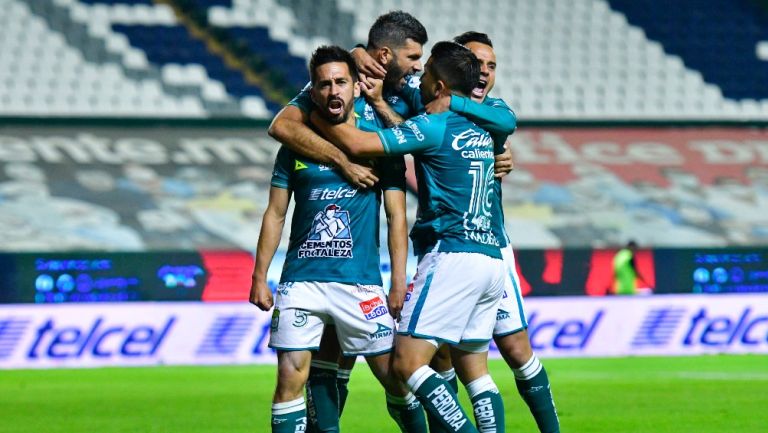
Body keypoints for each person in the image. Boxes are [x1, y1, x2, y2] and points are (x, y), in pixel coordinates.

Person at [311, 41, 506, 433]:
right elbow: (502, 124)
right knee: (476, 371)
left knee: (406, 364)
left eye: (427, 71)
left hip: (452, 254)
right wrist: (383, 103)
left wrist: (308, 114)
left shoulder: (433, 126)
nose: (420, 77)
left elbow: (355, 143)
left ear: (438, 88)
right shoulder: (486, 127)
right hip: (491, 258)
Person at [249, 46, 423, 433]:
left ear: (356, 88)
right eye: (324, 84)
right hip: (301, 282)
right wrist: (260, 276)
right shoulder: (295, 146)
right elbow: (275, 213)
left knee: (394, 377)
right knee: (289, 380)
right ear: (312, 92)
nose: (333, 91)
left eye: (341, 82)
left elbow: (397, 216)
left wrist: (398, 281)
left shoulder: (379, 142)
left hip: (359, 283)